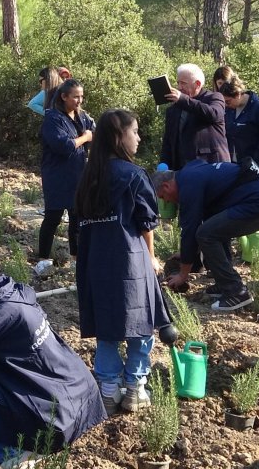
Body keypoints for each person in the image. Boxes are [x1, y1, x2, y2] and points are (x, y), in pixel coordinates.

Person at [0, 236, 106, 467]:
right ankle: (9, 430)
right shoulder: (14, 291)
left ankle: (13, 455)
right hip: (79, 396)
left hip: (57, 420)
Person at [75, 109, 168, 415]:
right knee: (140, 324)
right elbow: (145, 225)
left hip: (95, 263)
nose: (138, 138)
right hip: (130, 261)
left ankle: (108, 388)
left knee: (107, 328)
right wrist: (152, 260)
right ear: (119, 137)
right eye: (135, 132)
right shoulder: (133, 175)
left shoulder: (88, 177)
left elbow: (78, 226)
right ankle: (135, 388)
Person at [152, 158, 259, 309]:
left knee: (206, 234)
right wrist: (185, 254)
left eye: (163, 197)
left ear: (166, 185)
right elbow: (202, 224)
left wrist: (183, 275)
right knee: (212, 228)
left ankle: (236, 291)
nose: (167, 202)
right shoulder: (190, 173)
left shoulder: (188, 184)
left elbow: (190, 230)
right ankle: (224, 282)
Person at [38, 79, 95, 261]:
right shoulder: (53, 118)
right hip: (56, 175)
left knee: (77, 216)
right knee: (53, 218)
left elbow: (96, 132)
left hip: (78, 174)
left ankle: (76, 256)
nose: (79, 101)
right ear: (63, 97)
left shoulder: (82, 116)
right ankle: (43, 258)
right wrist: (85, 138)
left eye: (81, 97)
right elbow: (64, 146)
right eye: (75, 97)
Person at [159, 63, 229, 169]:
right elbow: (168, 142)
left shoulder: (214, 97)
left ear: (197, 84)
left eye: (183, 83)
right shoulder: (173, 109)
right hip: (182, 170)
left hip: (211, 168)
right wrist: (164, 167)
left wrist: (183, 99)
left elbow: (214, 114)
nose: (179, 87)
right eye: (178, 83)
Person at [220, 76, 259, 166]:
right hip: (232, 163)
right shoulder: (229, 110)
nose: (226, 105)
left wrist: (257, 161)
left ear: (238, 94)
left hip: (255, 164)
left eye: (228, 101)